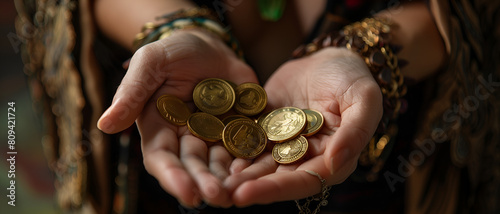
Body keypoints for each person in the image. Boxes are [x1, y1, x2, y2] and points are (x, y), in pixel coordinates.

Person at [15, 0, 500, 213]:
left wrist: (370, 53)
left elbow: (474, 13)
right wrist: (172, 27)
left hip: (391, 160)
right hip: (157, 161)